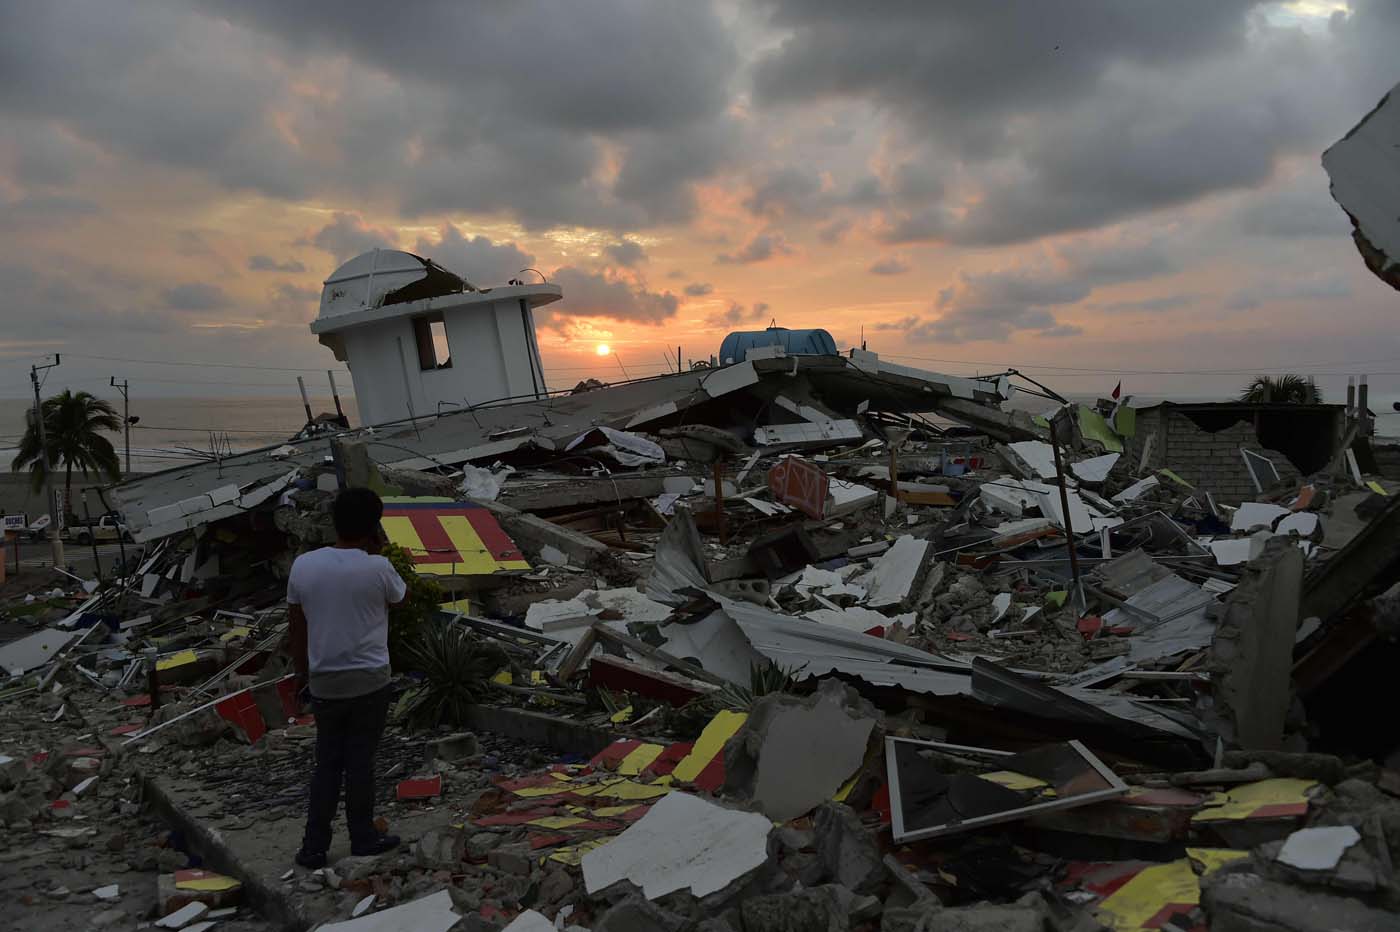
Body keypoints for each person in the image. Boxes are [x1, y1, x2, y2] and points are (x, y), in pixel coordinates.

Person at [287, 487, 406, 868]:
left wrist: (300, 674)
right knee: (360, 763)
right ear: (374, 526)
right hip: (370, 679)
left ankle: (313, 846)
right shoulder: (378, 567)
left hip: (325, 680)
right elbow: (397, 600)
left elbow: (297, 627)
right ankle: (363, 836)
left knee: (326, 764)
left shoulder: (304, 565)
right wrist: (379, 551)